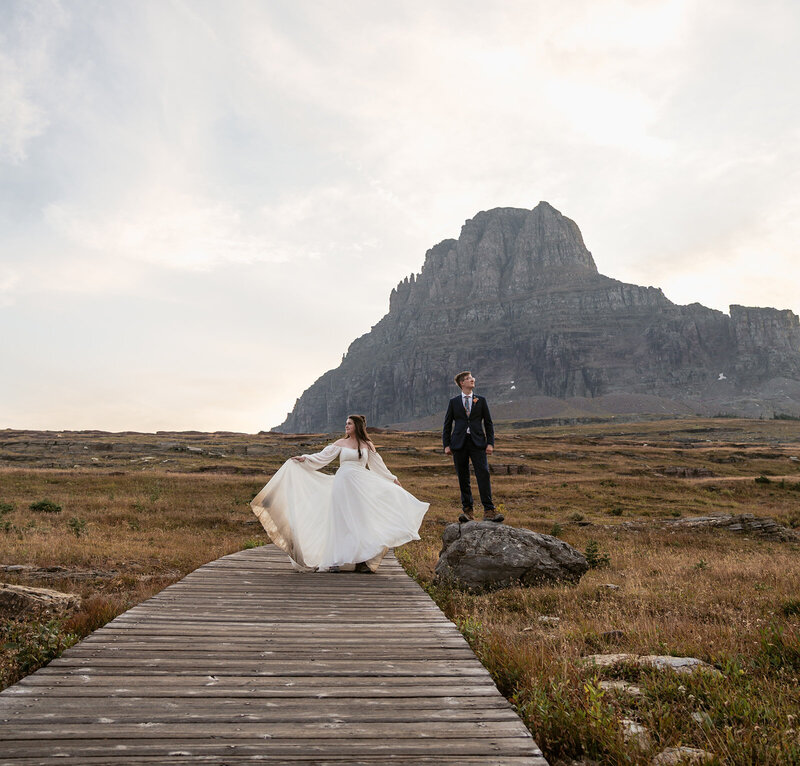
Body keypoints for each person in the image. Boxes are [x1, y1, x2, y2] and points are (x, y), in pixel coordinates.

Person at [251, 414, 429, 572]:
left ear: (357, 426)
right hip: (342, 485)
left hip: (361, 486)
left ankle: (362, 561)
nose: (346, 426)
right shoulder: (340, 443)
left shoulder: (367, 445)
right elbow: (322, 457)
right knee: (340, 520)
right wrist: (305, 458)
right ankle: (334, 560)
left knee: (361, 521)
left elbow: (378, 466)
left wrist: (392, 479)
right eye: (346, 424)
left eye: (349, 424)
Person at [442, 371, 503, 523]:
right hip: (459, 444)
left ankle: (489, 510)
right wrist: (446, 445)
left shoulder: (481, 400)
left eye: (472, 378)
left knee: (483, 474)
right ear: (462, 383)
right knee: (463, 477)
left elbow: (488, 423)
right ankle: (467, 512)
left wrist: (490, 443)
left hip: (478, 443)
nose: (472, 380)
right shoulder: (454, 402)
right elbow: (447, 425)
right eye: (469, 379)